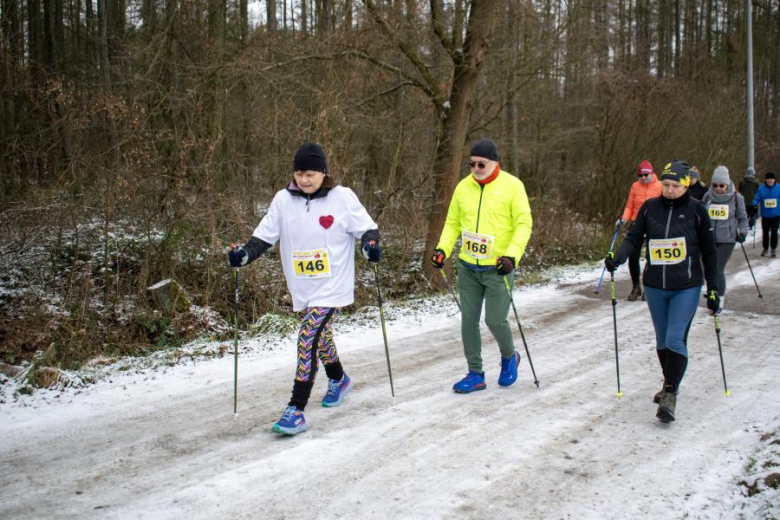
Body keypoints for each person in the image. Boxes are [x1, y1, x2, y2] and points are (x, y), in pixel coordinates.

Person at [228, 142, 381, 435]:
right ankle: (339, 378)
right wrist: (244, 255)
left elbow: (367, 230)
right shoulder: (283, 200)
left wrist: (369, 248)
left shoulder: (342, 197)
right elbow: (264, 236)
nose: (304, 180)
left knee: (307, 337)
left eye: (310, 174)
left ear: (324, 172)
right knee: (321, 337)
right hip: (302, 288)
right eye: (299, 173)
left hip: (333, 286)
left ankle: (296, 409)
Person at [605, 160, 719, 423]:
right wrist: (617, 257)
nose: (669, 190)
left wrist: (713, 288)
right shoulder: (649, 208)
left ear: (686, 185)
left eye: (675, 186)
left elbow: (710, 252)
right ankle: (670, 382)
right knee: (661, 340)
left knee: (675, 338)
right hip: (655, 285)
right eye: (666, 185)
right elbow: (634, 238)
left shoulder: (697, 210)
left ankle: (670, 394)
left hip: (686, 286)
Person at [430, 138, 533, 393]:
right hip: (468, 267)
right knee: (468, 321)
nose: (475, 169)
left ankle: (509, 356)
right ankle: (475, 373)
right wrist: (443, 249)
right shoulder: (463, 187)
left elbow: (523, 224)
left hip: (498, 268)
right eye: (472, 164)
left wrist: (512, 257)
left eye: (481, 164)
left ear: (495, 162)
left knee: (495, 321)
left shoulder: (513, 186)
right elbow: (453, 223)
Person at [701, 166, 749, 315]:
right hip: (709, 238)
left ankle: (719, 301)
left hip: (727, 239)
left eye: (721, 185)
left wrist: (743, 232)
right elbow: (700, 216)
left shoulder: (736, 198)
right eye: (715, 185)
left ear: (727, 184)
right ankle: (712, 295)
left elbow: (743, 218)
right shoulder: (707, 196)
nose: (718, 188)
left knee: (717, 268)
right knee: (708, 268)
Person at [617, 160, 663, 301]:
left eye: (645, 175)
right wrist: (624, 219)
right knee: (633, 255)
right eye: (640, 175)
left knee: (652, 256)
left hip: (653, 225)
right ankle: (636, 287)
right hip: (637, 223)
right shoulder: (635, 186)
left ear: (652, 173)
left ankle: (648, 287)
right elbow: (629, 206)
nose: (643, 178)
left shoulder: (660, 186)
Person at [753, 171, 780, 257]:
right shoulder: (761, 188)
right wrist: (754, 205)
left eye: (771, 179)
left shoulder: (778, 188)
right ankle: (765, 248)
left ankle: (773, 249)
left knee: (774, 232)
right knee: (765, 232)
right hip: (765, 215)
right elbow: (756, 198)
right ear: (765, 180)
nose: (770, 180)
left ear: (774, 180)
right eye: (768, 179)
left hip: (776, 215)